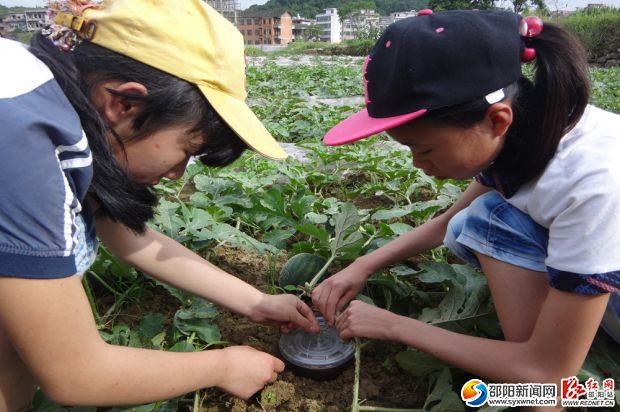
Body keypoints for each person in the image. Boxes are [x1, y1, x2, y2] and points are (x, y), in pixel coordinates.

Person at [0, 0, 320, 409]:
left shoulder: (47, 107)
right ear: (125, 105)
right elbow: (76, 373)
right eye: (187, 149)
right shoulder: (20, 145)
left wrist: (257, 303)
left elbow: (130, 238)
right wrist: (220, 367)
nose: (177, 174)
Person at [313, 9, 619, 392]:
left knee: (490, 224)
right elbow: (445, 222)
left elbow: (549, 372)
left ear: (497, 120)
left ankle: (569, 386)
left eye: (423, 149)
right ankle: (557, 340)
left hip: (566, 352)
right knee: (468, 223)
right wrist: (362, 265)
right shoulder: (532, 127)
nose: (418, 164)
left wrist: (392, 325)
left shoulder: (592, 181)